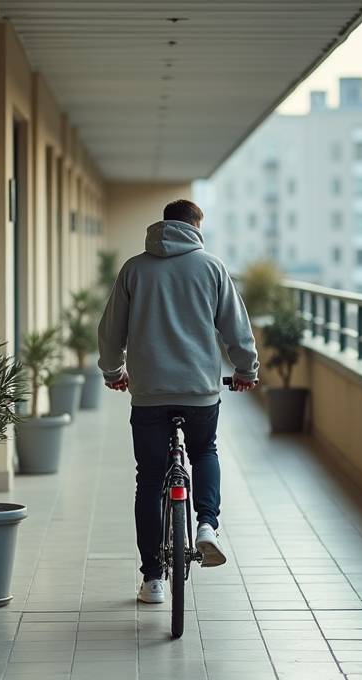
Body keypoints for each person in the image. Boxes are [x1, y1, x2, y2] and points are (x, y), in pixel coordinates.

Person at [97, 199, 260, 604]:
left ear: (164, 224)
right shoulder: (211, 267)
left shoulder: (134, 268)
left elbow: (111, 330)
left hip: (149, 392)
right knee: (204, 449)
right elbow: (236, 329)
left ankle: (153, 580)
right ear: (196, 227)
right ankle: (206, 525)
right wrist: (246, 371)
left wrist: (114, 372)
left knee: (150, 480)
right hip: (199, 390)